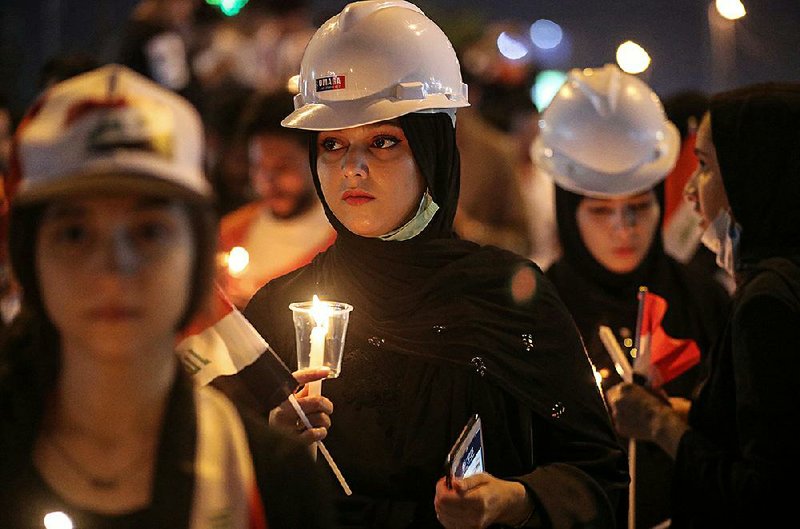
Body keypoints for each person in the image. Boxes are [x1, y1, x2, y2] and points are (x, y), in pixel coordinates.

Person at [226, 2, 628, 528]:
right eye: (332, 144)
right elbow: (212, 482)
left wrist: (514, 499)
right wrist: (268, 445)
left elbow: (600, 481)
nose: (353, 168)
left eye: (384, 142)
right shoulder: (281, 308)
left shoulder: (510, 294)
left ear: (433, 149)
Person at [0, 64, 331, 528]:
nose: (114, 267)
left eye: (149, 231)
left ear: (198, 255)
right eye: (74, 233)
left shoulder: (269, 477)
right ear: (28, 259)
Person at [534, 64, 730, 529]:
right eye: (601, 211)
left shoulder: (704, 299)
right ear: (567, 212)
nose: (624, 229)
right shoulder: (537, 309)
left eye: (639, 208)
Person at [606, 83, 800, 528]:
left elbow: (765, 493)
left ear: (756, 173)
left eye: (707, 166)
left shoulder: (767, 303)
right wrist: (687, 414)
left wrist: (660, 426)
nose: (691, 189)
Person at [217, 91, 335, 308]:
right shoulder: (228, 234)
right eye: (259, 167)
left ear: (315, 158)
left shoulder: (341, 244)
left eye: (283, 167)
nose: (268, 180)